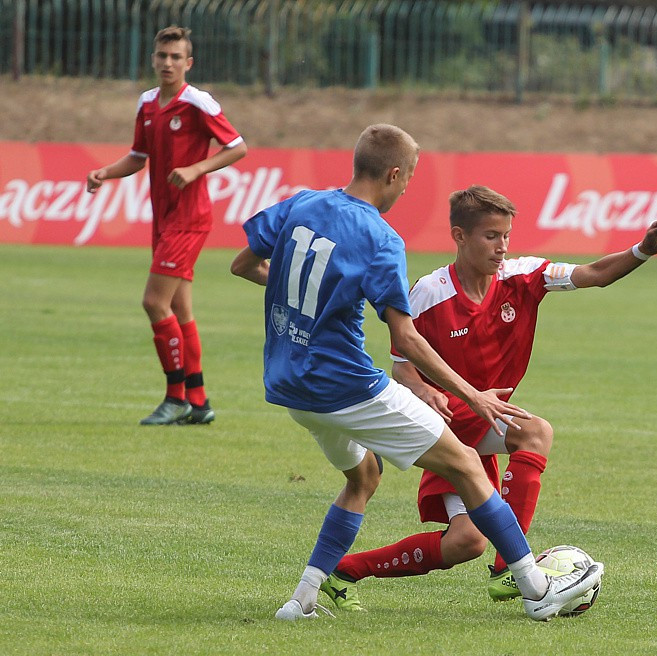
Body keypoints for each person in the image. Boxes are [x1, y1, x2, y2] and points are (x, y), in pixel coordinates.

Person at [230, 125, 602, 621]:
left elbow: (244, 263)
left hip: (288, 385)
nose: (406, 190)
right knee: (468, 466)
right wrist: (474, 396)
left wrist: (305, 302)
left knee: (362, 477)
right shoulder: (381, 237)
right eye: (408, 180)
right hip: (347, 386)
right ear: (394, 174)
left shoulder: (301, 204)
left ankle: (301, 601)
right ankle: (536, 589)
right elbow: (405, 340)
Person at [320, 185, 657, 610]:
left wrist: (643, 250)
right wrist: (426, 393)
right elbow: (402, 365)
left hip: (486, 419)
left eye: (506, 235)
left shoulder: (524, 276)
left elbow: (595, 274)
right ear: (459, 236)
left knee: (465, 542)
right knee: (533, 436)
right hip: (447, 423)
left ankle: (347, 572)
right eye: (491, 236)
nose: (502, 247)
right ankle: (509, 567)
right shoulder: (429, 293)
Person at [86, 26, 248, 425]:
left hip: (189, 218)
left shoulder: (198, 102)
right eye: (162, 56)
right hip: (164, 217)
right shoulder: (147, 104)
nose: (168, 63)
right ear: (153, 59)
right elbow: (138, 156)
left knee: (154, 302)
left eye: (176, 57)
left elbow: (238, 147)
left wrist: (197, 168)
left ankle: (175, 396)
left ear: (188, 63)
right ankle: (200, 401)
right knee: (179, 307)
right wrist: (105, 172)